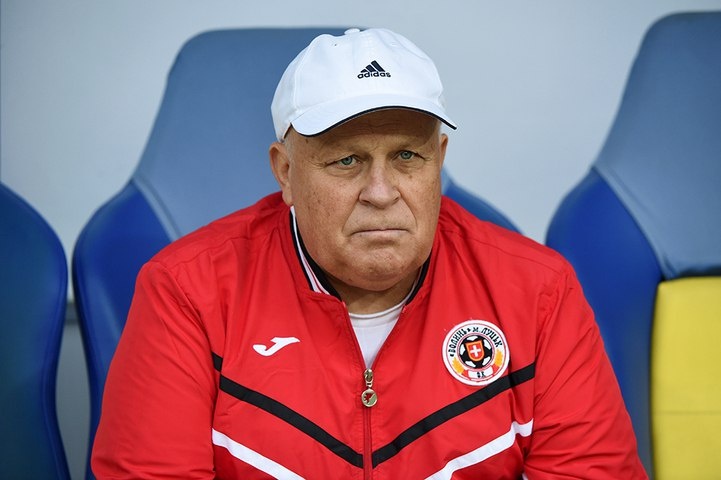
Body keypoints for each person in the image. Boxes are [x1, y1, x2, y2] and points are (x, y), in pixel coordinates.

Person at [91, 28, 647, 479]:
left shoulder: (538, 292)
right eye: (347, 160)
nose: (381, 193)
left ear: (439, 159)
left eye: (407, 156)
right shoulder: (187, 291)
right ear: (285, 172)